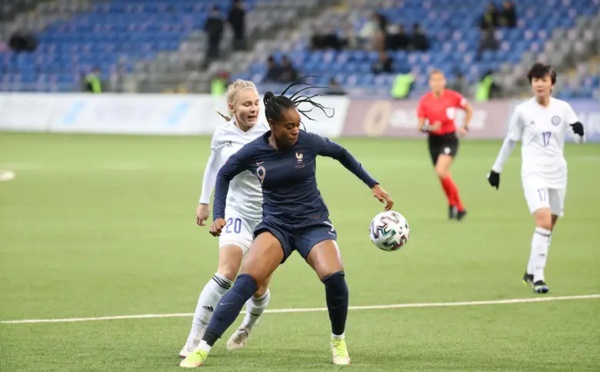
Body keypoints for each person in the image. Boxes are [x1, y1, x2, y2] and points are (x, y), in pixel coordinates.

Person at [180, 79, 394, 368]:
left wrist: (373, 184)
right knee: (244, 282)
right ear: (272, 125)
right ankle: (202, 347)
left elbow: (341, 153)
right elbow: (223, 174)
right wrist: (217, 211)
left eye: (298, 124)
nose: (296, 130)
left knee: (334, 277)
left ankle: (338, 341)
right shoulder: (254, 150)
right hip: (275, 226)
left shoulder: (308, 141)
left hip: (313, 224)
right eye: (289, 126)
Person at [179, 80, 272, 358]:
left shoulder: (271, 131)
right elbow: (214, 166)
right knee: (227, 273)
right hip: (237, 212)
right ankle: (194, 337)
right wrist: (204, 201)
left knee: (258, 285)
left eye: (256, 103)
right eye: (247, 104)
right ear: (232, 108)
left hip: (270, 219)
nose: (254, 108)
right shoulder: (222, 134)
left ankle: (247, 326)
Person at [487, 63, 585, 293]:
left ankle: (531, 270)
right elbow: (511, 140)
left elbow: (578, 138)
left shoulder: (563, 108)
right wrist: (496, 169)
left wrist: (579, 132)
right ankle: (538, 277)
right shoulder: (522, 111)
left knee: (550, 224)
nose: (539, 84)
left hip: (558, 172)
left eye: (543, 79)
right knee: (543, 221)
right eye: (535, 80)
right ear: (531, 84)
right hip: (533, 172)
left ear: (552, 83)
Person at [417, 69, 474, 220]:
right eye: (434, 80)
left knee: (441, 171)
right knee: (442, 175)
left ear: (444, 82)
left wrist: (465, 126)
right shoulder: (425, 101)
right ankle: (452, 204)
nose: (437, 83)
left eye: (439, 80)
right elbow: (420, 126)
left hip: (449, 138)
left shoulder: (453, 96)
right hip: (433, 140)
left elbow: (469, 110)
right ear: (430, 83)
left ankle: (460, 207)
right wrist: (430, 127)